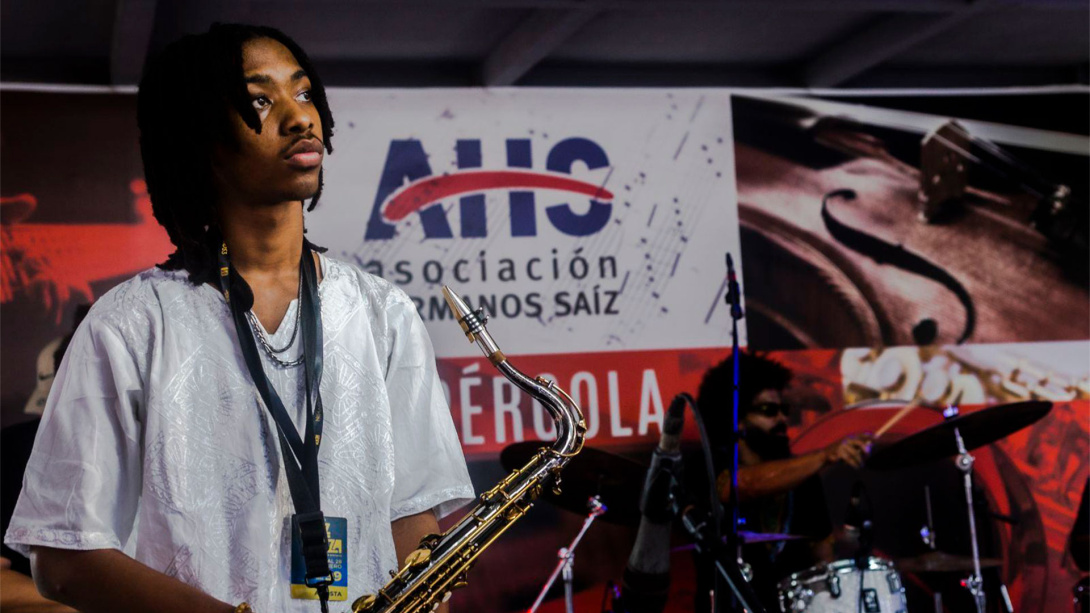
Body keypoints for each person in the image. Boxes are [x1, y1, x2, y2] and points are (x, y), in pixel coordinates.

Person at [3, 24, 474, 613]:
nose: (300, 118)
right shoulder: (129, 324)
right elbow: (62, 558)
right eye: (260, 100)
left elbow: (412, 513)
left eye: (303, 94)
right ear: (201, 136)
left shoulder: (385, 314)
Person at [693, 351, 872, 610]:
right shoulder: (706, 465)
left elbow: (823, 560)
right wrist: (824, 455)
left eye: (784, 410)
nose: (782, 420)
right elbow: (738, 486)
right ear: (737, 419)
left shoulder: (805, 477)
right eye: (769, 410)